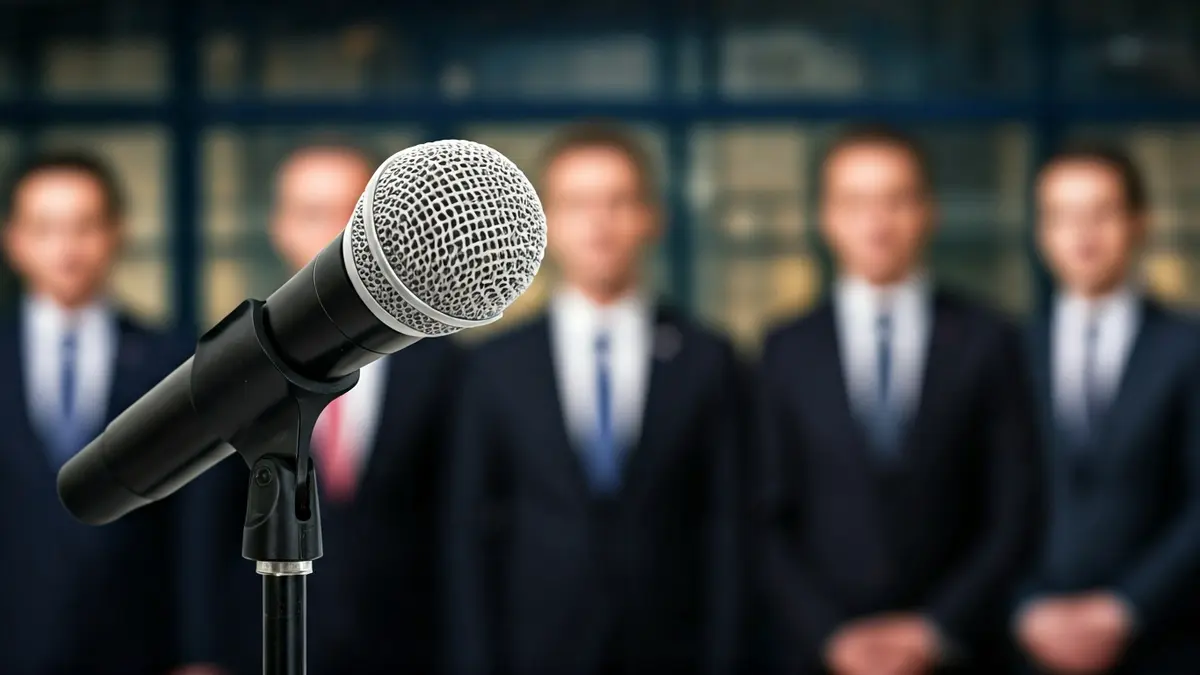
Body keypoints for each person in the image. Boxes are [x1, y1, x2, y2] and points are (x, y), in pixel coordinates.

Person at [444, 123, 742, 675]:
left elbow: (728, 528)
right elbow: (468, 532)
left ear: (652, 217)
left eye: (619, 202)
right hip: (536, 649)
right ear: (545, 223)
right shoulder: (493, 367)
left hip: (673, 647)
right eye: (578, 204)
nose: (599, 224)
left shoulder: (708, 359)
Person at [754, 124, 1042, 675]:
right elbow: (765, 518)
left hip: (958, 650)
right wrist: (829, 635)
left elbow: (1013, 509)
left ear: (930, 212)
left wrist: (935, 629)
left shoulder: (989, 339)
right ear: (827, 218)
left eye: (897, 200)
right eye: (856, 203)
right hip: (824, 654)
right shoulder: (784, 350)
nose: (877, 222)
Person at [185, 144, 462, 675]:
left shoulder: (440, 362)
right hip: (263, 638)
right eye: (313, 213)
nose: (336, 234)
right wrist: (199, 650)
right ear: (280, 227)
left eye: (353, 214)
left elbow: (457, 523)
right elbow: (203, 521)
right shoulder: (233, 360)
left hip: (405, 644)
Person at [0, 152, 190, 674]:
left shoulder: (172, 361)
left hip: (138, 640)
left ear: (116, 233)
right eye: (45, 228)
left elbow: (194, 520)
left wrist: (201, 650)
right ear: (13, 239)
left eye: (84, 226)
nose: (66, 248)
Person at [1014, 145, 1200, 674]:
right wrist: (1025, 608)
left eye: (1102, 212)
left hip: (1166, 641)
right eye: (1063, 215)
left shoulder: (1188, 347)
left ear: (1140, 223)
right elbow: (986, 502)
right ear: (1042, 232)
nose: (1083, 233)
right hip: (1031, 644)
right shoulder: (1010, 349)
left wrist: (1126, 608)